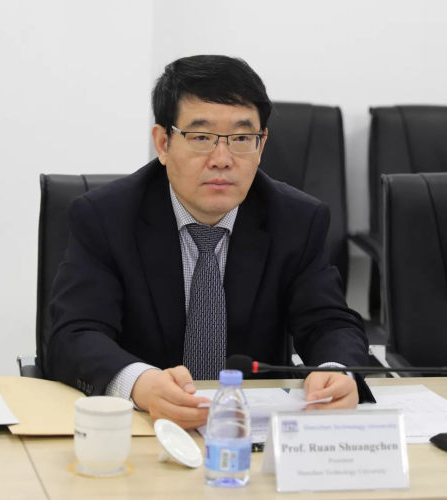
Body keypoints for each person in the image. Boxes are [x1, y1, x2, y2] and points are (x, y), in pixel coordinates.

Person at [48, 55, 374, 430]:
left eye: (241, 138)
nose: (222, 159)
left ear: (261, 144)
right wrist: (140, 384)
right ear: (163, 143)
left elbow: (329, 323)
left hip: (250, 432)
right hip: (142, 427)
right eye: (201, 138)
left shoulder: (297, 220)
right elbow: (75, 334)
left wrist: (337, 371)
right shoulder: (105, 217)